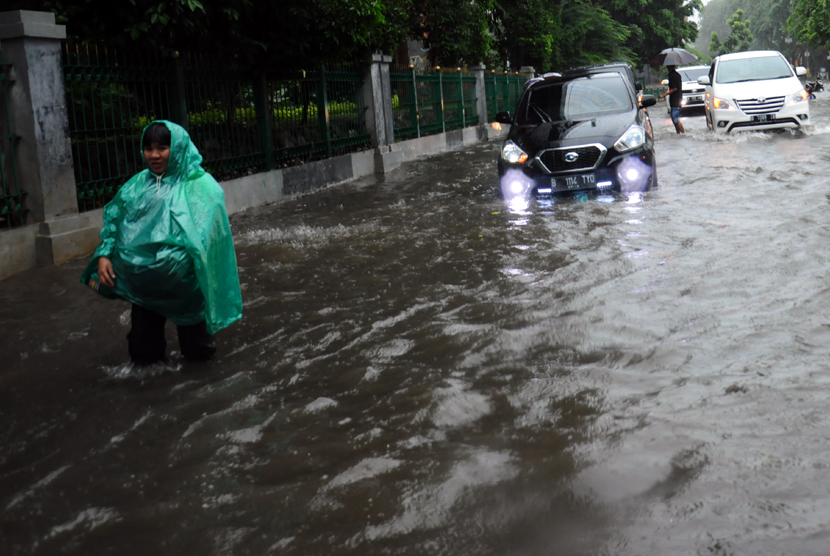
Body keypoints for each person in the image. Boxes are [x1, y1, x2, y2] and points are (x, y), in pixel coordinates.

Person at [81, 121, 242, 366]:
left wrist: (175, 265)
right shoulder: (136, 186)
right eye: (148, 149)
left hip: (187, 287)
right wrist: (104, 254)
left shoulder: (200, 186)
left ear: (176, 149)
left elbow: (210, 237)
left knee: (199, 354)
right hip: (145, 288)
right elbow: (114, 221)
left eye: (162, 148)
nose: (154, 156)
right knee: (143, 354)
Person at [659, 65, 685, 134]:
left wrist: (663, 95)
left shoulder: (672, 76)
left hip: (675, 100)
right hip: (678, 98)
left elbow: (674, 88)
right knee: (674, 119)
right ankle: (678, 133)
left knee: (675, 119)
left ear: (669, 67)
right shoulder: (677, 75)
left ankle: (683, 133)